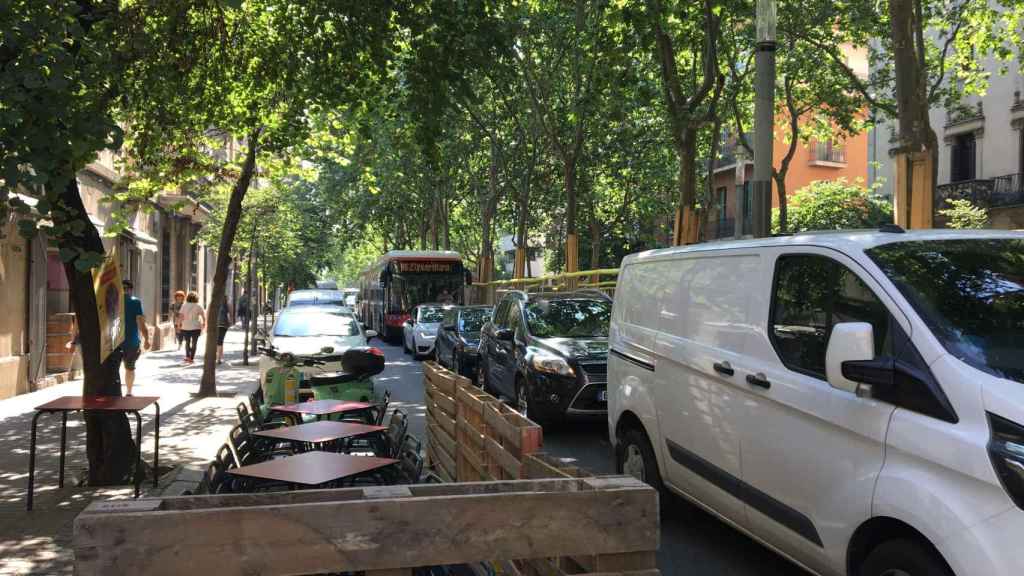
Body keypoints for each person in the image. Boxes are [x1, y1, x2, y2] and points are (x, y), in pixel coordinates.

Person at [121, 280, 151, 396]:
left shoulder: (113, 300)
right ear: (131, 289)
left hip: (114, 342)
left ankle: (113, 393)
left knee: (112, 368)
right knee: (130, 368)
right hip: (131, 341)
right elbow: (141, 323)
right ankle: (128, 391)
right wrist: (147, 339)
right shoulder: (135, 302)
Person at [179, 291, 205, 364]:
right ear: (196, 298)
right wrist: (204, 323)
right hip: (196, 327)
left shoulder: (184, 305)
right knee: (194, 343)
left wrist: (178, 324)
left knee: (187, 342)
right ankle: (191, 358)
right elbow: (203, 316)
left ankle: (188, 356)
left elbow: (181, 316)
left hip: (185, 326)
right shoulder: (198, 306)